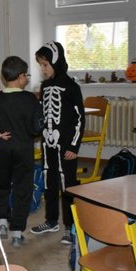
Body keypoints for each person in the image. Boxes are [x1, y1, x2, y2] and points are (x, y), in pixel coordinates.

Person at [0, 56, 44, 248]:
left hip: (3, 149)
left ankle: (2, 223)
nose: (27, 78)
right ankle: (17, 233)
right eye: (26, 75)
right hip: (23, 150)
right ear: (20, 77)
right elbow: (37, 128)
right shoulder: (30, 99)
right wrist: (31, 132)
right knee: (22, 190)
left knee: (2, 186)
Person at [30, 41, 85, 245]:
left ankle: (71, 227)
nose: (42, 69)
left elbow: (80, 119)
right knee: (49, 182)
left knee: (67, 185)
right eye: (40, 65)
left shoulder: (71, 87)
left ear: (56, 61)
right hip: (48, 144)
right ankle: (51, 220)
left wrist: (74, 146)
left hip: (66, 146)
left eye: (45, 65)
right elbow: (43, 114)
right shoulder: (45, 86)